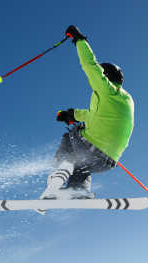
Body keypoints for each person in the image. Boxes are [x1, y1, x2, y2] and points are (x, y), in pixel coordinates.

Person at [42, 25, 134, 199]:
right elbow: (93, 116)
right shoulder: (125, 99)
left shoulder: (105, 89)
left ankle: (56, 180)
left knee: (69, 138)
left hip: (92, 149)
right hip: (107, 161)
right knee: (81, 164)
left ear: (105, 76)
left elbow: (90, 65)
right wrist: (72, 115)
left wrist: (79, 39)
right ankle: (78, 191)